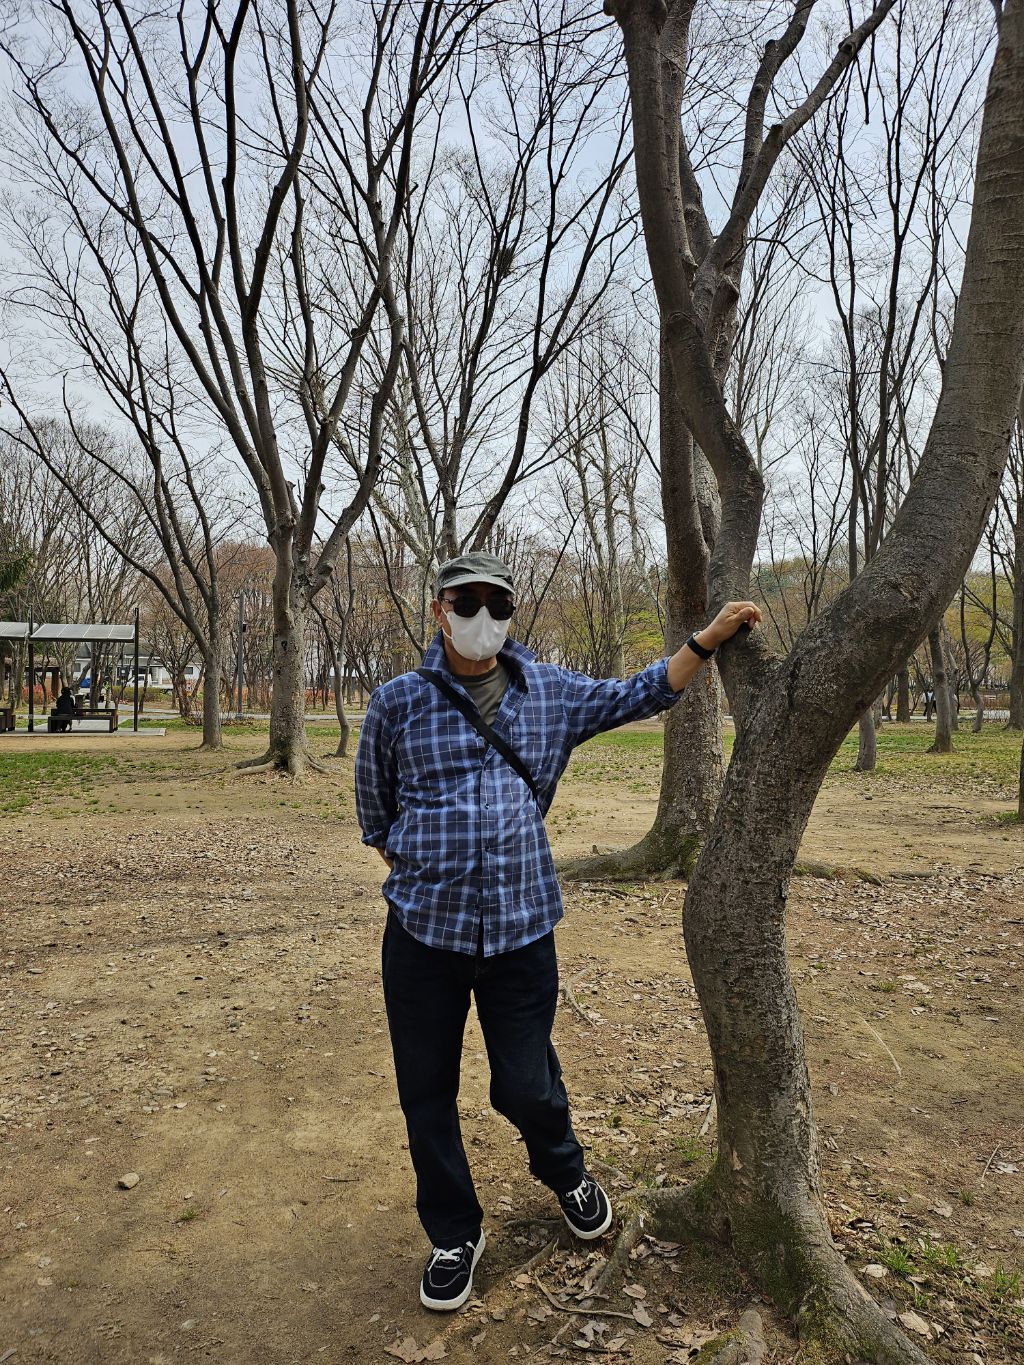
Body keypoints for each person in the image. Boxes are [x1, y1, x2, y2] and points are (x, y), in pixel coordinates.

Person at [355, 552, 761, 1312]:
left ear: (512, 615)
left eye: (498, 604)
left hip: (522, 931)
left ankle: (565, 1170)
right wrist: (433, 866)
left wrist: (706, 640)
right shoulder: (397, 702)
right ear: (440, 609)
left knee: (526, 1082)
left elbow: (642, 691)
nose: (483, 617)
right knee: (425, 1093)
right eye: (467, 602)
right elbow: (376, 815)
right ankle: (454, 1233)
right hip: (422, 938)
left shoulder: (550, 692)